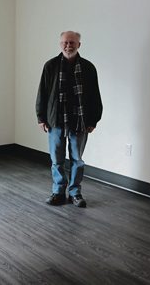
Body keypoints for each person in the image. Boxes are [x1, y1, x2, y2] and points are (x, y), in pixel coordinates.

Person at [36, 31, 103, 207]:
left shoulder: (88, 68)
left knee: (77, 160)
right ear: (60, 44)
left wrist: (93, 120)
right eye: (65, 42)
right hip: (55, 121)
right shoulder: (50, 66)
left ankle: (75, 193)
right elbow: (42, 93)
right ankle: (58, 192)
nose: (68, 45)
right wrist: (41, 117)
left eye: (72, 42)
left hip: (80, 122)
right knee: (56, 160)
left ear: (79, 45)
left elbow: (95, 96)